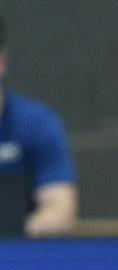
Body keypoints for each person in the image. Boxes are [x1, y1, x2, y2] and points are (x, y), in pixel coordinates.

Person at [0, 14, 77, 236]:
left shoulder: (37, 125)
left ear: (1, 61)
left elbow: (61, 211)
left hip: (19, 252)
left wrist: (12, 232)